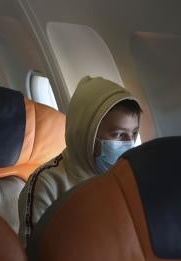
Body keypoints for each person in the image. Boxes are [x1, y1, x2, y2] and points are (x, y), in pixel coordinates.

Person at [18, 76, 142, 244]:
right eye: (119, 135)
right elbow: (33, 259)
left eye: (133, 134)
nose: (129, 144)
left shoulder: (129, 178)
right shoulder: (47, 184)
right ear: (87, 134)